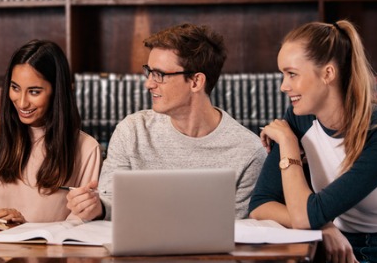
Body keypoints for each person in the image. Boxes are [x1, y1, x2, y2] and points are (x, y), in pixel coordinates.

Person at [248, 20, 377, 263]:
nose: (283, 86)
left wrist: (288, 144)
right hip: (338, 249)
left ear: (327, 73)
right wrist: (324, 225)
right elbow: (261, 205)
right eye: (282, 74)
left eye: (291, 74)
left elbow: (303, 216)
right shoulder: (299, 119)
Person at [66, 23, 267, 221]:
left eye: (159, 75)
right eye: (149, 71)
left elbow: (238, 231)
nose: (148, 84)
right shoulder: (132, 131)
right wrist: (95, 207)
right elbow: (109, 202)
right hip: (136, 251)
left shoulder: (249, 151)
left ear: (196, 82)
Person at [0, 39, 101, 223]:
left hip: (51, 250)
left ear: (57, 92)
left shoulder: (87, 148)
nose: (22, 102)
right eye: (15, 88)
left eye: (34, 92)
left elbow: (81, 224)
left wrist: (24, 228)